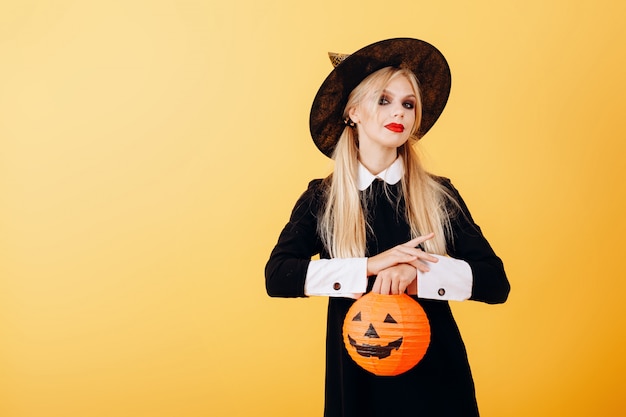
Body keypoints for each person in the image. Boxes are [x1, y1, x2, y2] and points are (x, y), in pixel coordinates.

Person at [265, 38, 510, 417]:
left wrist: (416, 276)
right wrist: (369, 266)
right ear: (353, 112)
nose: (399, 112)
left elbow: (495, 282)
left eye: (408, 103)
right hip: (358, 380)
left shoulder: (439, 194)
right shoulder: (323, 198)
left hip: (439, 382)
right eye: (384, 100)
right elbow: (278, 276)